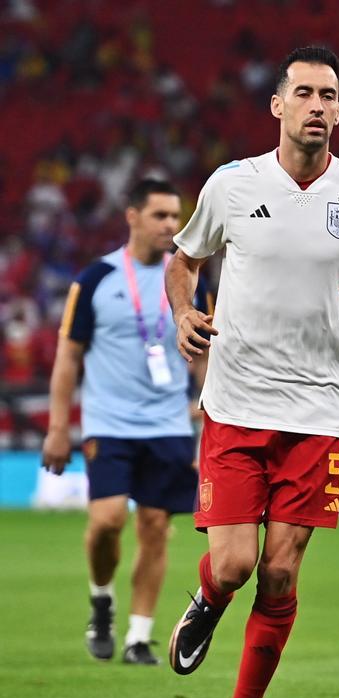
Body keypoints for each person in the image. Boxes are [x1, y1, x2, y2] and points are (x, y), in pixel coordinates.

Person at [162, 46, 339, 698]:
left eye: (329, 95)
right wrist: (183, 313)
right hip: (236, 402)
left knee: (281, 572)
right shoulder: (233, 185)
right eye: (303, 93)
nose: (316, 106)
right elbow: (185, 261)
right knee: (236, 565)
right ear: (277, 106)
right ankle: (208, 600)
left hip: (320, 409)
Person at [42, 177, 206, 667]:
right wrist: (56, 427)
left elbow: (205, 350)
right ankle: (101, 598)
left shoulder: (191, 278)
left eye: (176, 217)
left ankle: (138, 636)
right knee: (107, 522)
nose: (171, 226)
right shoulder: (95, 279)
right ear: (132, 217)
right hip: (109, 423)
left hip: (169, 424)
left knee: (155, 526)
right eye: (160, 216)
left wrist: (207, 395)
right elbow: (69, 357)